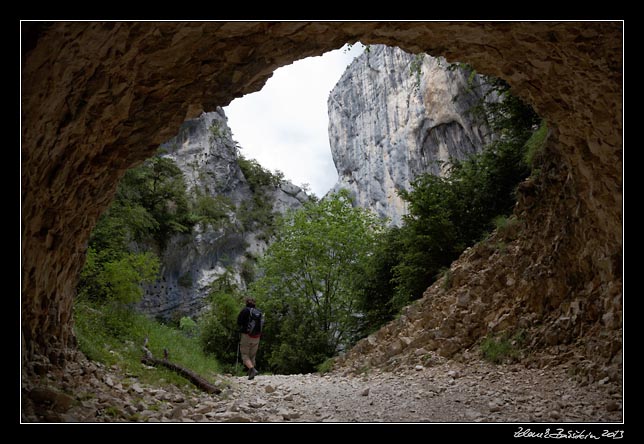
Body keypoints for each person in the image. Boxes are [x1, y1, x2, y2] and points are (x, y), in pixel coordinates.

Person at [236, 297, 262, 380]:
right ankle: (251, 373)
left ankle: (252, 369)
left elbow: (239, 322)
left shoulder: (245, 310)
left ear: (246, 302)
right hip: (257, 336)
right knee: (252, 355)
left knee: (245, 354)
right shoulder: (258, 312)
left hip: (247, 335)